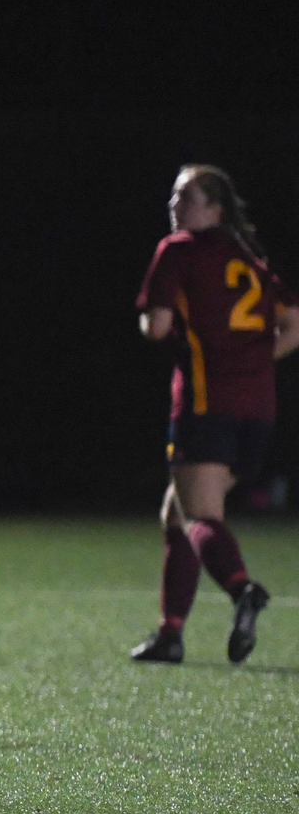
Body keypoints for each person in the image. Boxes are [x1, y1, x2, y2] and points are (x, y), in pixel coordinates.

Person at [130, 164, 299, 664]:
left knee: (197, 514)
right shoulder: (249, 258)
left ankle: (242, 589)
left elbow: (158, 327)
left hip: (207, 403)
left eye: (187, 197)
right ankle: (171, 633)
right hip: (258, 409)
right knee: (175, 513)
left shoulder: (177, 251)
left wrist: (146, 318)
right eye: (175, 196)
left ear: (216, 209)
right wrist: (251, 359)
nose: (175, 206)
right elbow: (293, 325)